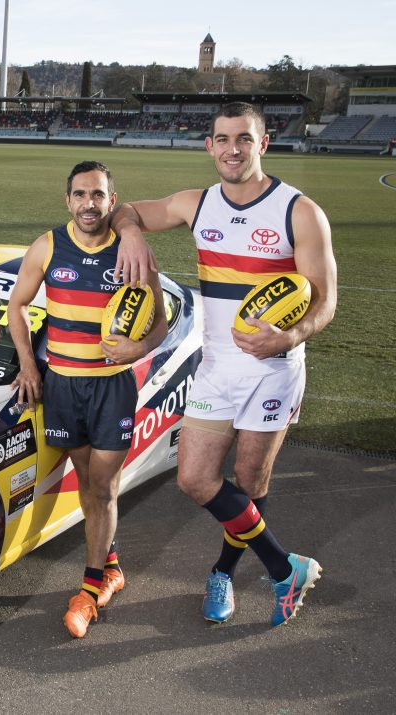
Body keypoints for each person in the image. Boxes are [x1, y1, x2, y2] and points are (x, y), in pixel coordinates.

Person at [110, 101, 337, 626]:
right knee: (194, 479)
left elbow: (325, 300)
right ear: (209, 145)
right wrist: (133, 232)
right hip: (215, 366)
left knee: (250, 482)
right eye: (222, 139)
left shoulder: (298, 210)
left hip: (273, 370)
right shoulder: (198, 203)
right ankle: (285, 567)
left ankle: (224, 573)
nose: (232, 149)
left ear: (263, 144)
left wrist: (290, 337)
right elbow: (129, 210)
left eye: (244, 139)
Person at [9, 161, 168, 638]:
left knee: (103, 487)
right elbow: (17, 304)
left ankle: (89, 589)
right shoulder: (48, 245)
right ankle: (112, 566)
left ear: (111, 201)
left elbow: (158, 322)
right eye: (80, 195)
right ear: (68, 201)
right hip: (61, 383)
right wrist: (28, 364)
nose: (88, 204)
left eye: (98, 195)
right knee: (87, 481)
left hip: (112, 385)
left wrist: (140, 347)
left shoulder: (133, 251)